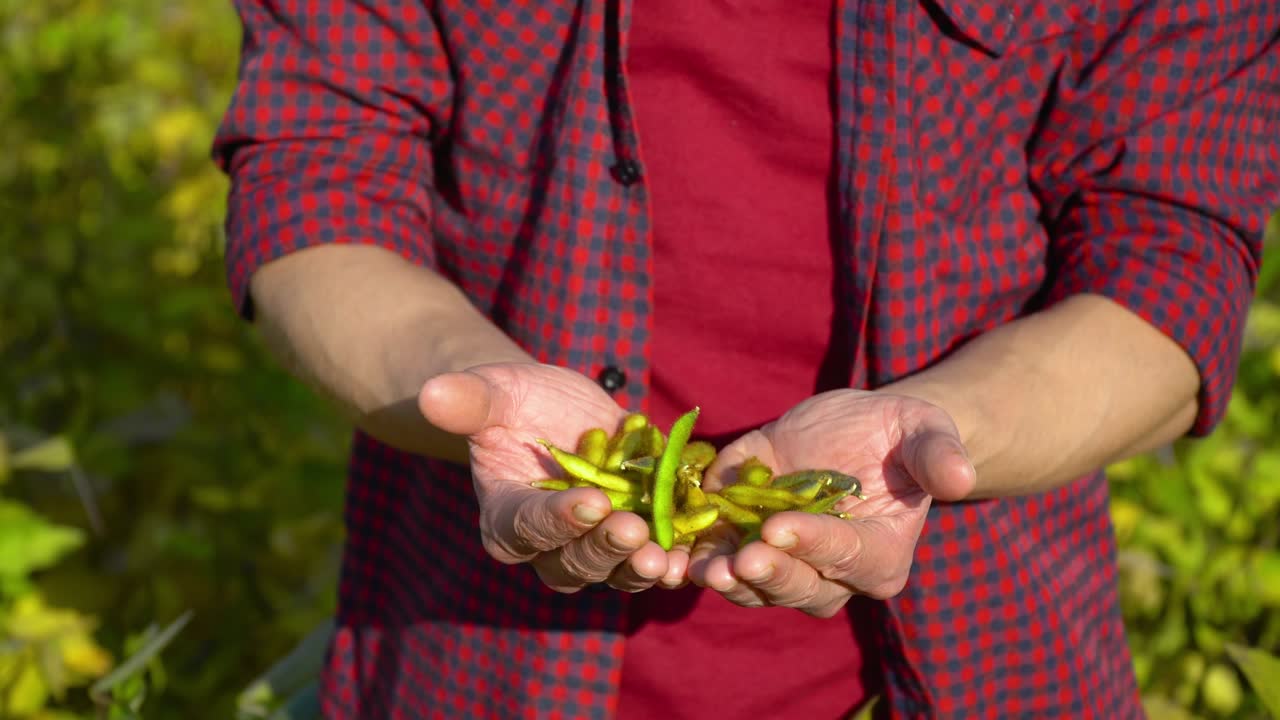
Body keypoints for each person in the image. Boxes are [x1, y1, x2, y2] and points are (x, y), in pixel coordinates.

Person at [212, 0, 1278, 717]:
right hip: (473, 656)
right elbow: (316, 174)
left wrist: (952, 428)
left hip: (991, 654)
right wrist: (459, 380)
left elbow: (1170, 256)